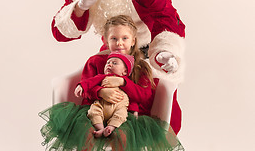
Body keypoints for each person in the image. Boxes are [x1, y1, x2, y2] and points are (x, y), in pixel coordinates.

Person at [51, 0, 186, 134]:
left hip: (148, 52)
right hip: (112, 51)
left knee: (164, 119)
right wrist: (80, 7)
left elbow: (166, 15)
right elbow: (59, 32)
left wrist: (164, 52)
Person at [39, 15, 184, 150]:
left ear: (133, 40)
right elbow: (86, 87)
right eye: (114, 38)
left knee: (123, 136)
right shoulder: (96, 62)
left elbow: (144, 96)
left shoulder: (140, 67)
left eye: (124, 38)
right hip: (93, 110)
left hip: (125, 115)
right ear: (106, 40)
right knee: (86, 132)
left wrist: (123, 82)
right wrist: (100, 91)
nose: (119, 43)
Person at [74, 51, 137, 138]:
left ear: (125, 71)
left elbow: (133, 96)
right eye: (108, 63)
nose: (109, 64)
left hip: (119, 106)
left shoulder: (125, 82)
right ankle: (100, 128)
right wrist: (82, 86)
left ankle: (111, 127)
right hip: (102, 104)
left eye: (114, 63)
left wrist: (134, 110)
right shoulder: (102, 77)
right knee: (94, 111)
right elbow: (90, 81)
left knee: (122, 114)